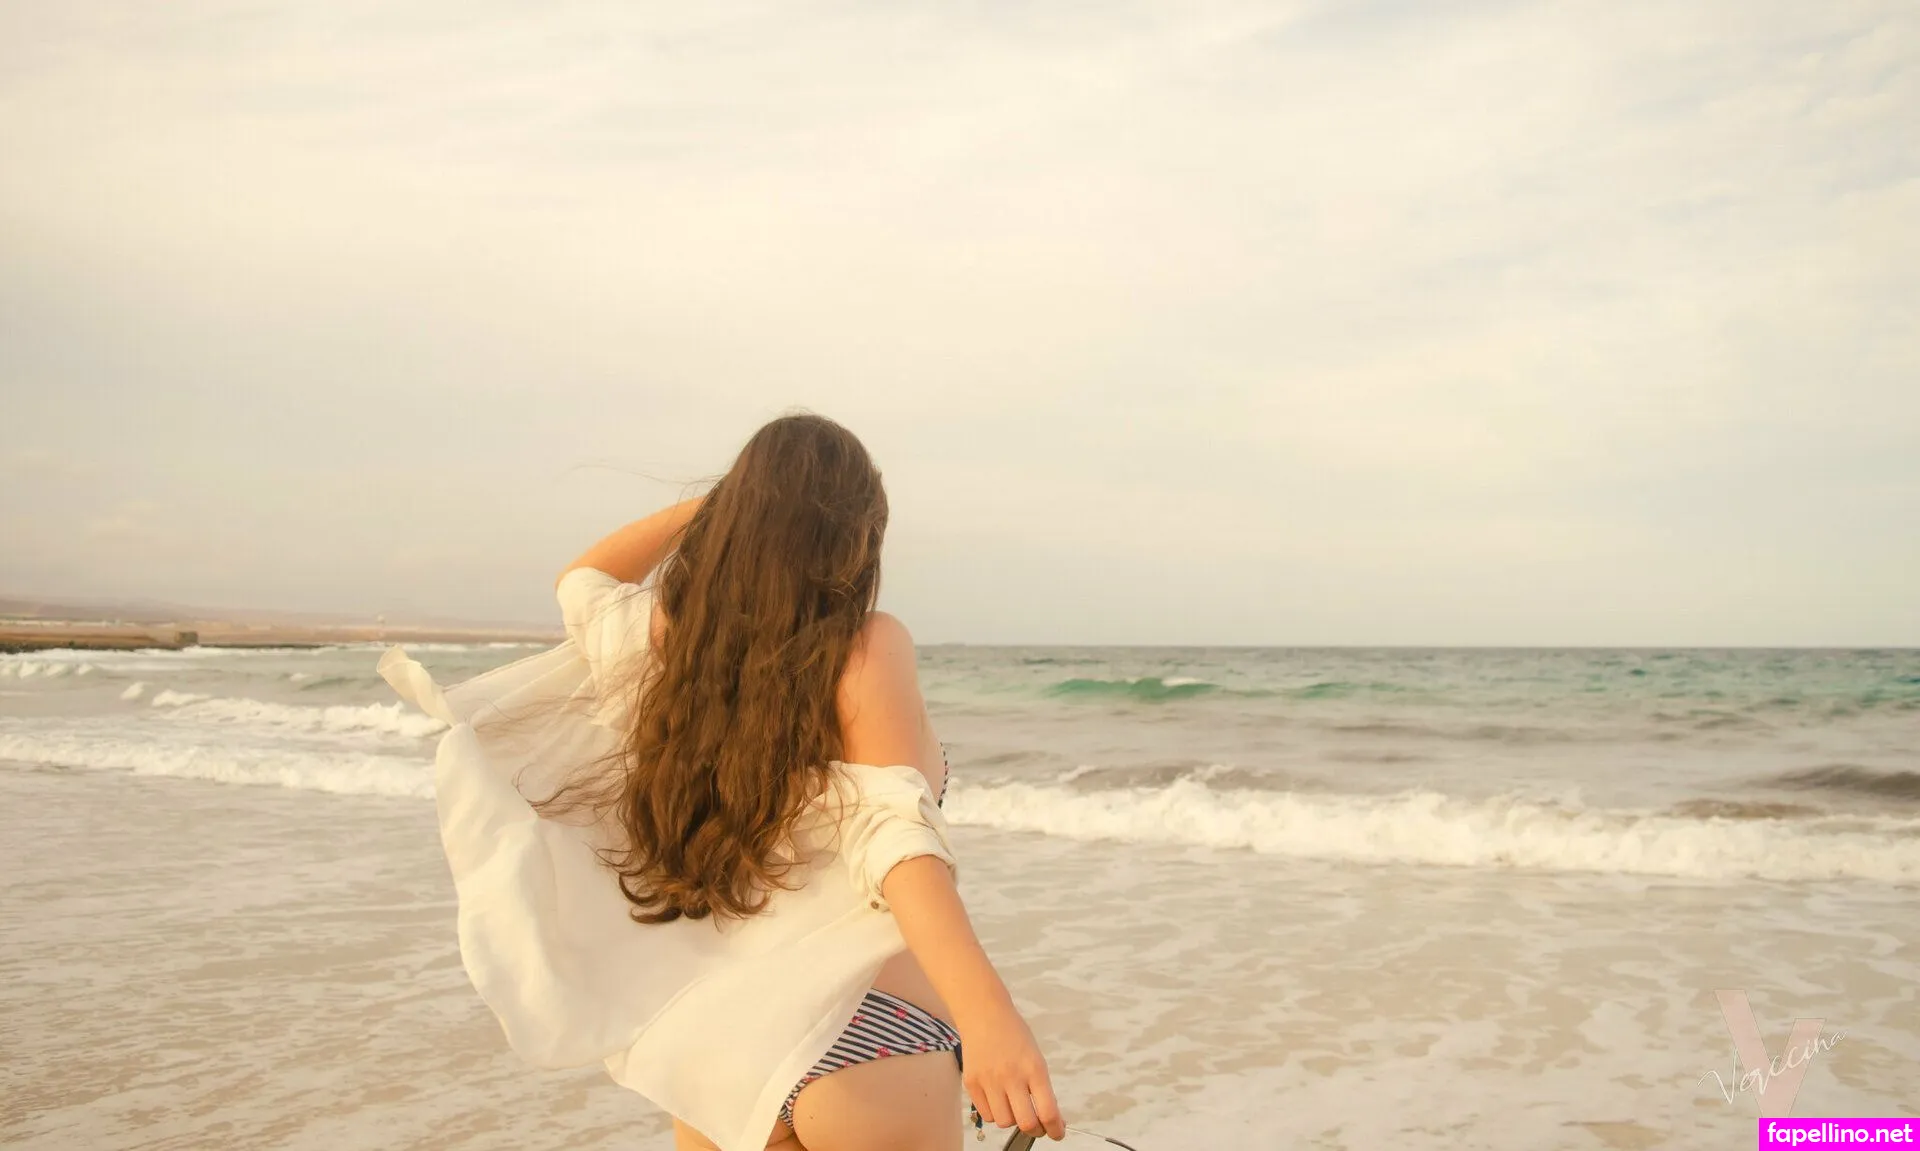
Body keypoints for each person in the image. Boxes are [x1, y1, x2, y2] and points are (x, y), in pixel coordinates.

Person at [379, 413, 1064, 1151]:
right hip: (867, 1030)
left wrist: (742, 501)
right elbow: (896, 843)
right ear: (858, 538)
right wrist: (991, 1017)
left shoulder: (670, 653)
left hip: (727, 1054)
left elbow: (583, 580)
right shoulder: (865, 647)